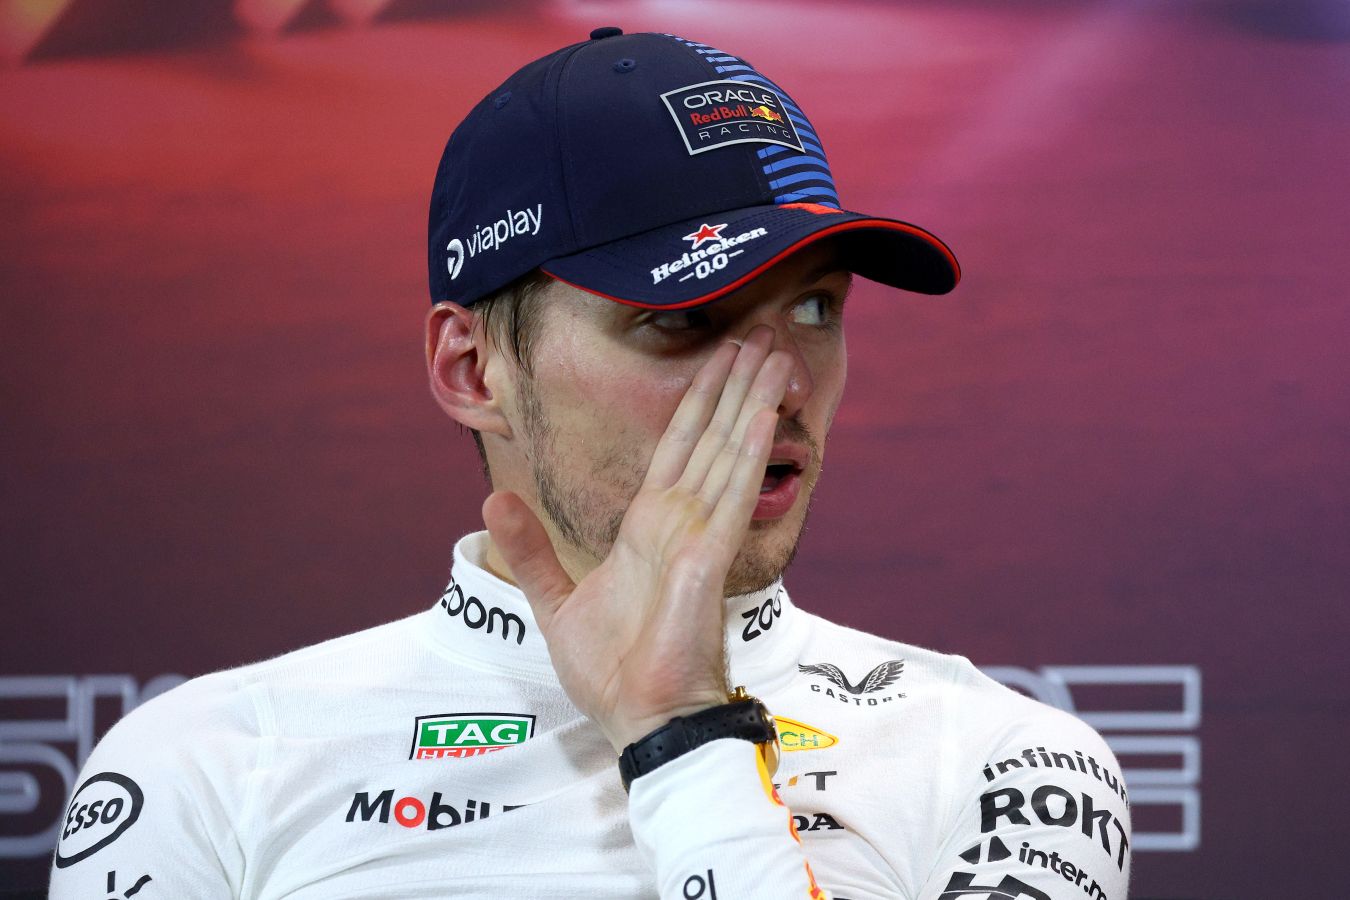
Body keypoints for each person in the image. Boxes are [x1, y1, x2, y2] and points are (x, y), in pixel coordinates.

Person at [50, 28, 1131, 900]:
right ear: (473, 369)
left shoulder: (1006, 760)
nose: (779, 388)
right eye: (684, 320)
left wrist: (682, 732)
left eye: (814, 308)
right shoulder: (203, 767)